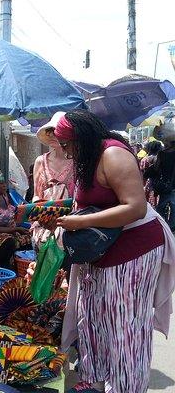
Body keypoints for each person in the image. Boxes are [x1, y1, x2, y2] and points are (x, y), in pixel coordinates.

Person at [45, 109, 174, 393]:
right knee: (92, 317)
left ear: (82, 138)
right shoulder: (87, 158)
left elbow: (135, 207)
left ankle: (126, 387)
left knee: (124, 325)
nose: (65, 152)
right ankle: (95, 379)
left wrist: (80, 221)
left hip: (134, 249)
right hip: (100, 249)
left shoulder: (113, 155)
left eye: (67, 145)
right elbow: (91, 203)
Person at [31, 111, 74, 248]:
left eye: (59, 132)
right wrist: (39, 208)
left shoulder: (78, 162)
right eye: (51, 132)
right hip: (44, 225)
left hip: (70, 225)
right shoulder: (40, 161)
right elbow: (36, 195)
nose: (54, 135)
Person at [153, 140, 175, 230]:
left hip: (164, 184)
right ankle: (171, 227)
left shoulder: (162, 153)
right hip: (173, 186)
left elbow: (156, 168)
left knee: (161, 206)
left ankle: (161, 225)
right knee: (174, 207)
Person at [140, 140, 163, 207]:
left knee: (149, 204)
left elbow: (142, 174)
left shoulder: (145, 160)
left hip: (149, 184)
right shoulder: (162, 159)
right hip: (160, 185)